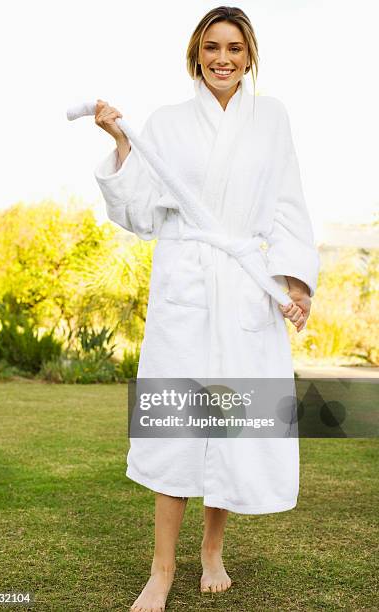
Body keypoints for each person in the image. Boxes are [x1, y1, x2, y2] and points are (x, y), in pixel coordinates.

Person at [94, 6, 319, 611]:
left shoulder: (272, 119)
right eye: (212, 47)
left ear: (250, 56)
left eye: (235, 48)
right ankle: (161, 570)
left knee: (229, 425)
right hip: (186, 288)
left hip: (245, 285)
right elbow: (138, 210)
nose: (224, 58)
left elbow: (289, 204)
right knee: (177, 427)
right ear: (196, 53)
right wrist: (120, 143)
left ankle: (212, 552)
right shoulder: (166, 123)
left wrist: (293, 284)